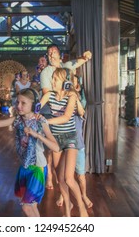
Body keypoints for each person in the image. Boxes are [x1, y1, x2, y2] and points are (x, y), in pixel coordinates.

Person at [0, 88, 59, 216]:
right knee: (32, 207)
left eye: (23, 103)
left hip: (38, 168)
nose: (18, 106)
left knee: (26, 207)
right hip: (24, 167)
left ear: (34, 105)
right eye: (17, 102)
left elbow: (56, 147)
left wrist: (37, 135)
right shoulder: (17, 120)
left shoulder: (40, 121)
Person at [39, 43, 92, 190]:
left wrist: (86, 57)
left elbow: (77, 61)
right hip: (51, 109)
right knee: (50, 149)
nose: (51, 54)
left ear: (59, 55)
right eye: (48, 52)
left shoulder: (66, 67)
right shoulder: (45, 73)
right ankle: (50, 175)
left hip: (67, 111)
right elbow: (46, 94)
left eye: (53, 51)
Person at [40, 68, 88, 217]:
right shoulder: (49, 95)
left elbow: (67, 117)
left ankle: (81, 206)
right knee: (60, 179)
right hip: (55, 139)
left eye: (55, 79)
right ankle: (67, 211)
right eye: (52, 79)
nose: (52, 82)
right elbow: (36, 108)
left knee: (68, 177)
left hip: (70, 138)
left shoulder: (72, 96)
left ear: (65, 82)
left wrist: (45, 121)